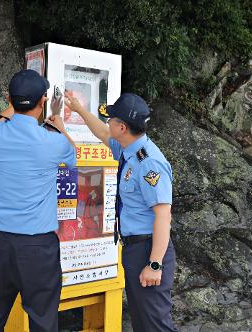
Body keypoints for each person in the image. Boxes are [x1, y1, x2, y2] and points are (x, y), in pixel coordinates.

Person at [65, 92, 178, 332]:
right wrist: (78, 109)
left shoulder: (149, 163)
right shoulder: (130, 149)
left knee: (156, 325)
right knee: (143, 323)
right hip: (135, 249)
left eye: (112, 119)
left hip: (149, 250)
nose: (108, 123)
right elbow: (103, 134)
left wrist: (155, 264)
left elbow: (163, 215)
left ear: (123, 127)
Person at [0, 69, 76, 332]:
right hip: (38, 247)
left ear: (9, 98)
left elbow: (2, 119)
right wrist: (60, 127)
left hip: (0, 243)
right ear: (42, 101)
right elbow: (72, 156)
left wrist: (12, 105)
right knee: (43, 320)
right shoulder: (53, 142)